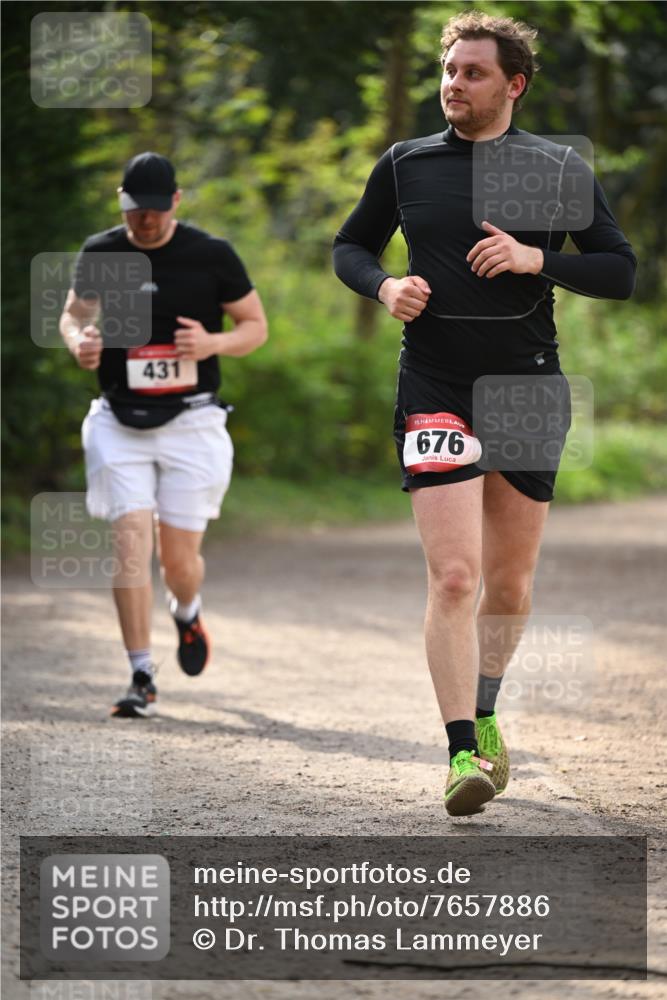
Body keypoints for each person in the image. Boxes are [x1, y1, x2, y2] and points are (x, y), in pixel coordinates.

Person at [333, 12, 636, 815]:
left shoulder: (555, 167)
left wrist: (538, 257)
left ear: (514, 84)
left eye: (471, 72)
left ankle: (489, 709)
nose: (452, 84)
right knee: (456, 574)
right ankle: (460, 749)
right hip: (434, 383)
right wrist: (383, 286)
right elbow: (349, 247)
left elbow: (620, 269)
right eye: (447, 69)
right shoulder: (404, 164)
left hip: (529, 388)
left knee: (508, 581)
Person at [60, 152, 268, 718]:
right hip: (118, 418)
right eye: (134, 211)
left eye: (154, 210)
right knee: (129, 542)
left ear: (175, 202)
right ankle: (141, 674)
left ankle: (187, 609)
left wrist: (212, 345)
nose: (144, 221)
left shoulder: (211, 255)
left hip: (192, 420)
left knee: (178, 561)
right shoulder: (102, 252)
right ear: (122, 205)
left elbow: (255, 327)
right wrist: (79, 340)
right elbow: (73, 314)